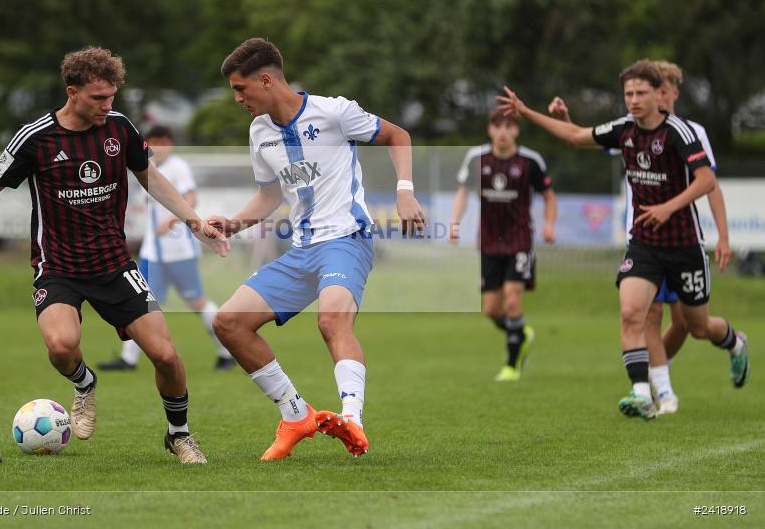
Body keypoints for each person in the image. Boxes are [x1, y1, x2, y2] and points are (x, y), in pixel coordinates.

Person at [0, 47, 228, 463]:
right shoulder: (36, 137)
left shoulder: (119, 128)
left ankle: (179, 435)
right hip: (58, 268)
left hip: (114, 265)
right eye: (98, 98)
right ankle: (84, 384)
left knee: (167, 356)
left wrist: (194, 222)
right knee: (62, 347)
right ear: (72, 92)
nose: (108, 105)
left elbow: (151, 177)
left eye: (112, 96)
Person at [208, 38, 425, 459]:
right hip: (302, 249)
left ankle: (353, 421)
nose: (237, 98)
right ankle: (296, 415)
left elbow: (398, 135)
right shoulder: (259, 131)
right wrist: (232, 225)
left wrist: (405, 191)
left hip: (346, 239)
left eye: (240, 88)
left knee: (331, 322)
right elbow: (269, 197)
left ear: (266, 79)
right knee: (229, 323)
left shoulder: (335, 112)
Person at [496, 59, 748, 420]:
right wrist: (525, 111)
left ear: (658, 95)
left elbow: (707, 181)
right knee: (633, 313)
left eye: (641, 93)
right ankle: (643, 393)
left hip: (684, 246)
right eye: (628, 93)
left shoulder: (680, 132)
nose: (633, 99)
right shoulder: (624, 129)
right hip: (644, 243)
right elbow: (575, 137)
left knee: (698, 326)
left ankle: (735, 342)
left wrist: (669, 208)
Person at [98, 125, 235, 372]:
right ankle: (128, 359)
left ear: (171, 144)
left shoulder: (178, 167)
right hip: (153, 252)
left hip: (178, 251)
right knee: (142, 302)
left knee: (196, 302)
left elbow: (192, 198)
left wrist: (171, 220)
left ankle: (227, 351)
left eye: (163, 141)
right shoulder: (145, 167)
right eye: (154, 142)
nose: (159, 147)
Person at [449, 109, 557, 381]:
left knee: (512, 297)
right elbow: (462, 192)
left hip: (520, 240)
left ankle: (511, 365)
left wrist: (549, 224)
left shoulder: (530, 161)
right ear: (490, 130)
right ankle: (520, 332)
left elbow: (549, 196)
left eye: (509, 126)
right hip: (488, 242)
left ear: (516, 131)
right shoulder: (476, 158)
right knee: (492, 310)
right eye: (498, 126)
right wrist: (454, 222)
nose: (503, 132)